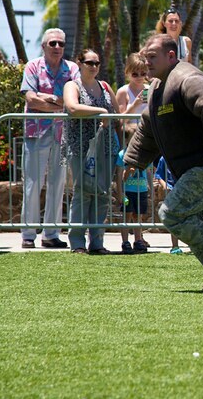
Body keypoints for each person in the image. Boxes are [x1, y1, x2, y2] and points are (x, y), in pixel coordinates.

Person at [124, 34, 203, 291]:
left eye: (152, 57)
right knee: (198, 227)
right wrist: (134, 159)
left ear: (171, 55)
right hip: (191, 168)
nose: (146, 62)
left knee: (171, 214)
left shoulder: (187, 78)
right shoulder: (159, 86)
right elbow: (149, 124)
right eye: (145, 57)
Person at [19, 28, 79, 249]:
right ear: (44, 46)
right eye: (52, 43)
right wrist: (58, 100)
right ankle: (28, 234)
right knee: (33, 183)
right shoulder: (33, 66)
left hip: (63, 135)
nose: (57, 47)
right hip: (36, 133)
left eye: (61, 44)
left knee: (58, 182)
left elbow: (75, 99)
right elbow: (31, 98)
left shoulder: (72, 68)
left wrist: (49, 98)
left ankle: (51, 234)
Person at [61, 49, 121, 254]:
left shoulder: (104, 86)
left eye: (97, 63)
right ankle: (77, 242)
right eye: (89, 62)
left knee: (102, 193)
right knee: (82, 192)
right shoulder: (72, 85)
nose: (94, 66)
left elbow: (117, 114)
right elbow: (72, 107)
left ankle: (97, 243)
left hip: (106, 146)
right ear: (79, 63)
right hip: (80, 146)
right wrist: (101, 112)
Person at [116, 123, 150, 254]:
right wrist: (120, 193)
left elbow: (148, 172)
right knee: (127, 215)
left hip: (141, 190)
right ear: (126, 140)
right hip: (128, 191)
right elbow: (119, 176)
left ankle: (138, 240)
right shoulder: (122, 155)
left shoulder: (144, 154)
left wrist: (150, 190)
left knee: (138, 217)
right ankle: (125, 242)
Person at [154, 156, 183, 253]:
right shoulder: (163, 159)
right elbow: (158, 176)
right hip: (171, 191)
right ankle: (175, 246)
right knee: (173, 218)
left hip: (184, 190)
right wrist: (165, 186)